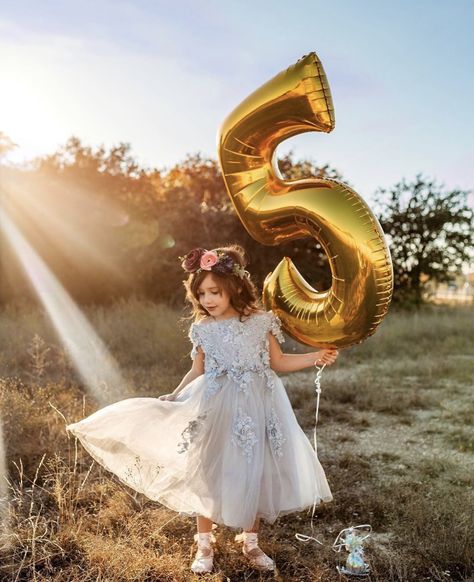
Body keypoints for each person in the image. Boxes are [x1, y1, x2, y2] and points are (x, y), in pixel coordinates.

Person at [66, 244, 338, 574]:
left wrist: (314, 357)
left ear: (234, 288)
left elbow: (278, 361)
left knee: (256, 467)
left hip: (258, 402)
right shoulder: (203, 330)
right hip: (215, 403)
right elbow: (197, 370)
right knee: (208, 468)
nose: (208, 300)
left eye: (215, 292)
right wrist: (176, 394)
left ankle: (250, 542)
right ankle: (204, 543)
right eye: (202, 293)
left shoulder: (259, 322)